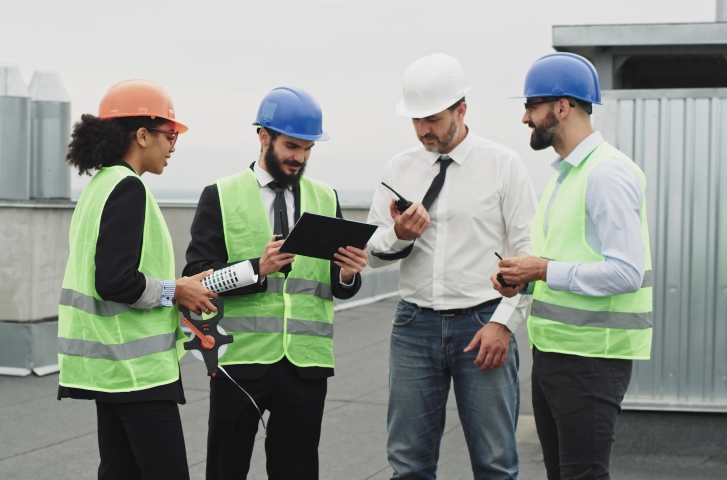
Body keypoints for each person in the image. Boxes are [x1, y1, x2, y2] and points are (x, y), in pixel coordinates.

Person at [183, 86, 368, 480]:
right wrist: (257, 268)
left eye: (308, 149)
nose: (300, 157)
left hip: (306, 365)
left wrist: (349, 274)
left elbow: (335, 283)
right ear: (263, 136)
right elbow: (199, 279)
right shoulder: (219, 195)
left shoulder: (326, 196)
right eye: (291, 146)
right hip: (240, 362)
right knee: (225, 469)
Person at [366, 53, 536, 479]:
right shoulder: (398, 168)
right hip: (413, 326)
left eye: (433, 119)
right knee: (407, 464)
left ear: (461, 109)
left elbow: (527, 255)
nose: (424, 130)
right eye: (416, 120)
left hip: (483, 323)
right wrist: (398, 236)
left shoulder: (504, 166)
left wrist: (504, 323)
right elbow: (369, 250)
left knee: (495, 463)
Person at [498, 52, 653, 480]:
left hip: (591, 361)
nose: (526, 117)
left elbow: (625, 272)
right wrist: (522, 281)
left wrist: (541, 270)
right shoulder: (566, 176)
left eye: (532, 106)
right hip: (555, 355)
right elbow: (565, 263)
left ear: (561, 107)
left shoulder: (606, 174)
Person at [56, 79, 217, 480]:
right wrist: (177, 290)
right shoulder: (128, 188)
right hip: (136, 373)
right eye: (169, 134)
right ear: (142, 135)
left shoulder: (99, 187)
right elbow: (114, 281)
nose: (173, 146)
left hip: (111, 368)